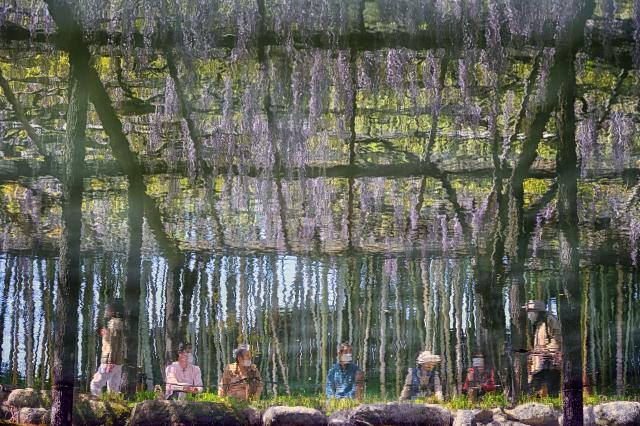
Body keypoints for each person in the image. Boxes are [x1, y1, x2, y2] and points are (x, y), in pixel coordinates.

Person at [524, 300, 562, 397]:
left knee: (552, 390)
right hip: (540, 364)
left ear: (537, 312)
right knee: (534, 388)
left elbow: (557, 339)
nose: (529, 316)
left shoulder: (550, 320)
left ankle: (554, 404)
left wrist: (547, 351)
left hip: (551, 363)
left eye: (530, 312)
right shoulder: (538, 324)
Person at [90, 299, 125, 396]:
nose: (106, 310)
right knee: (113, 389)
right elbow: (115, 341)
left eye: (108, 308)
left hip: (110, 361)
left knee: (95, 385)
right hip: (118, 361)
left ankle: (97, 403)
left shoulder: (113, 323)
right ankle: (112, 404)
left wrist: (110, 362)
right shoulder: (120, 323)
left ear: (113, 311)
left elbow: (113, 344)